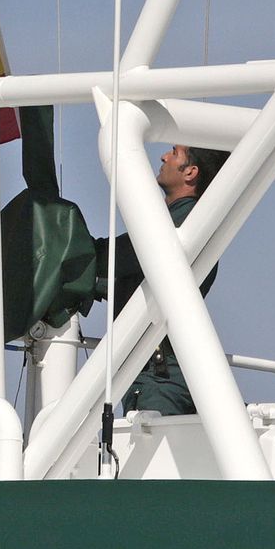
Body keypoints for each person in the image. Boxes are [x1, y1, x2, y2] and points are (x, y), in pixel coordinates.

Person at [94, 143, 230, 415]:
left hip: (160, 378)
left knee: (152, 442)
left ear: (190, 172)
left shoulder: (181, 224)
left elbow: (112, 258)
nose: (164, 156)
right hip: (165, 373)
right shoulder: (188, 221)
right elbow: (139, 284)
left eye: (174, 153)